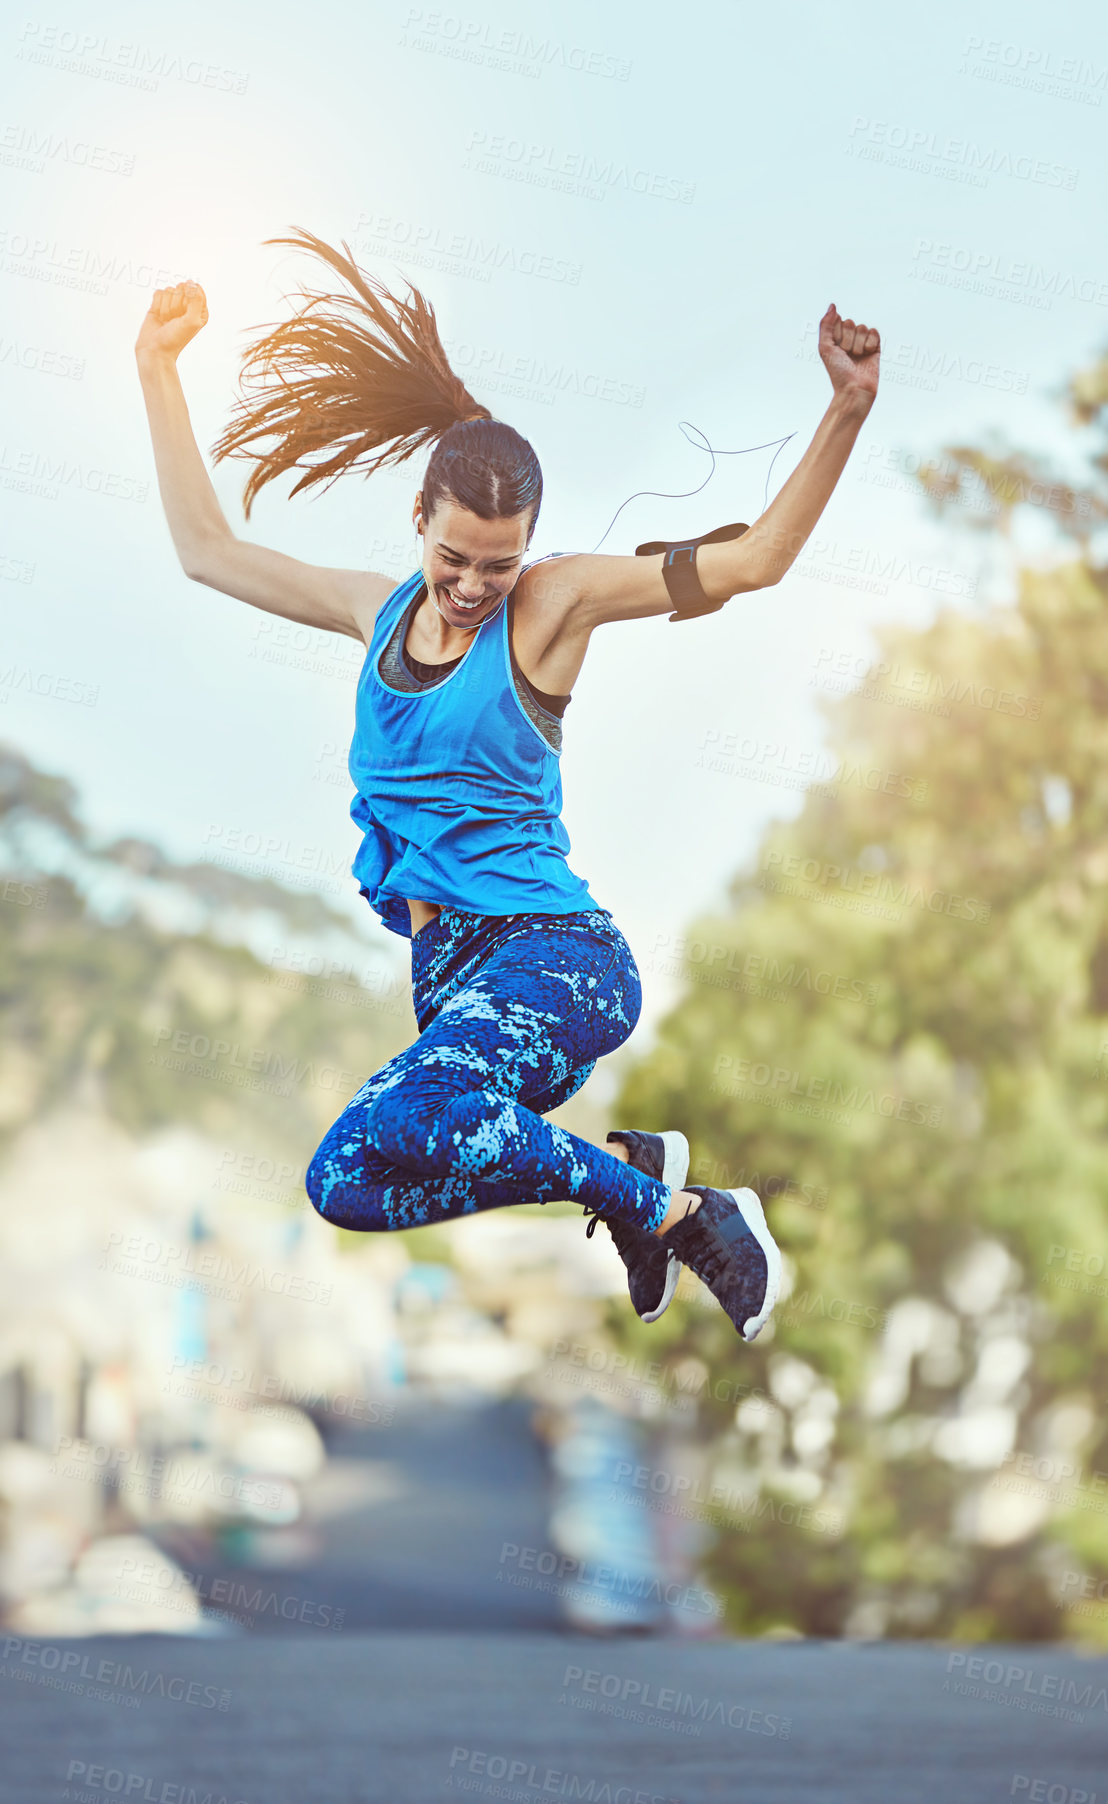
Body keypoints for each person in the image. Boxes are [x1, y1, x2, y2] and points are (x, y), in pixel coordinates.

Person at [134, 227, 880, 1343]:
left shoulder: (554, 605)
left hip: (556, 961)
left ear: (529, 545)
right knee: (343, 1179)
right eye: (456, 557)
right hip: (454, 985)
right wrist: (156, 368)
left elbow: (754, 560)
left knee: (420, 1109)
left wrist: (848, 408)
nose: (477, 584)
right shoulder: (371, 612)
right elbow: (208, 549)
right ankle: (634, 1181)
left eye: (500, 559)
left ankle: (682, 1210)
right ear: (419, 523)